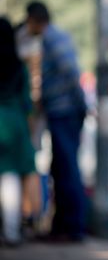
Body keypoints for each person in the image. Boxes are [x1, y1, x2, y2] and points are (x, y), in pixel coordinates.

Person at [25, 1, 87, 241]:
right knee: (60, 168)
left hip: (65, 112)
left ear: (35, 19)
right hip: (62, 112)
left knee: (67, 168)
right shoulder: (53, 38)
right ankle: (63, 226)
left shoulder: (53, 39)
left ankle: (72, 228)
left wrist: (80, 105)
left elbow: (70, 72)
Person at [0, 17, 37, 246]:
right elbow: (27, 103)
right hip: (14, 125)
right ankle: (12, 232)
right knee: (10, 178)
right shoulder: (18, 65)